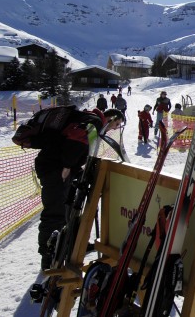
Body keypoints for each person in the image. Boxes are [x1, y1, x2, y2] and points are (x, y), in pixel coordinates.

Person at [34, 108, 122, 270]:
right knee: (54, 212)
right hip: (56, 169)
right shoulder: (94, 121)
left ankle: (69, 245)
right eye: (117, 123)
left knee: (68, 209)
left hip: (59, 168)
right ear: (111, 118)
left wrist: (78, 169)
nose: (115, 128)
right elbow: (76, 141)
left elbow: (82, 148)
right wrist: (68, 165)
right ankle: (47, 255)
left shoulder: (93, 122)